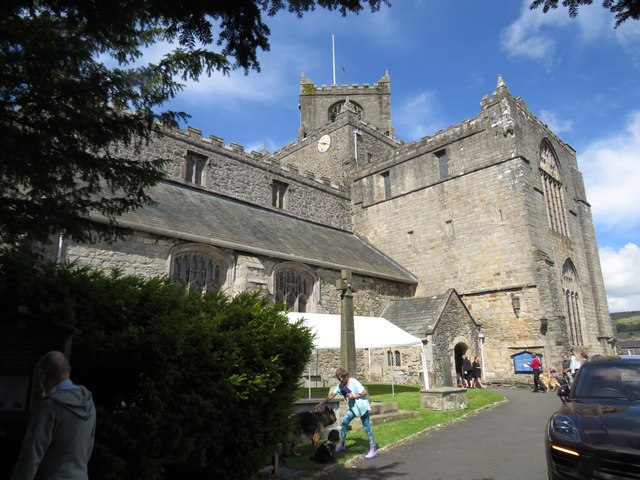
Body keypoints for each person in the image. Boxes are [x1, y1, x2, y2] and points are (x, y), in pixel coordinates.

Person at [10, 351, 96, 480]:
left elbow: (32, 453)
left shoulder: (49, 406)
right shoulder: (89, 404)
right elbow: (89, 446)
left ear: (44, 376)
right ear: (68, 370)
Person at [315, 367, 377, 459]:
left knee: (367, 427)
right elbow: (332, 395)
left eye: (340, 379)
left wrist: (354, 396)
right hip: (352, 408)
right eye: (338, 379)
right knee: (344, 423)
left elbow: (365, 392)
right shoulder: (341, 386)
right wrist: (321, 403)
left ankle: (373, 449)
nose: (340, 381)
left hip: (362, 407)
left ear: (346, 376)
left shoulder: (354, 382)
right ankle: (342, 445)